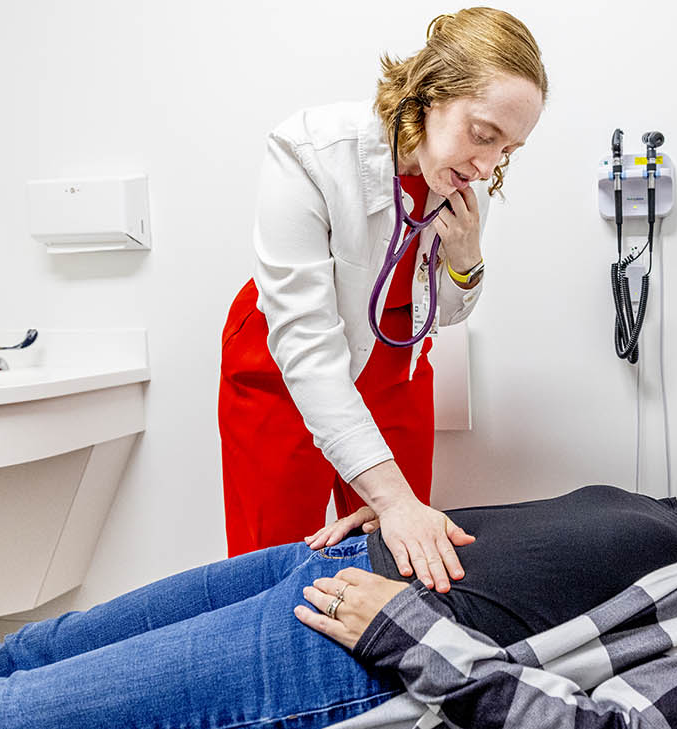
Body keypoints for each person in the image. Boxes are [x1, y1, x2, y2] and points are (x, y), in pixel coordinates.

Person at [0, 450, 677, 729]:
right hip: (324, 567)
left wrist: (404, 628)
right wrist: (391, 521)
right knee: (19, 655)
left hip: (338, 642)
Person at [218, 6, 548, 595]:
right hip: (282, 361)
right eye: (484, 134)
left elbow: (444, 313)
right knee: (269, 561)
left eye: (509, 149)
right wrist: (390, 495)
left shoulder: (465, 181)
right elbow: (308, 348)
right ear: (429, 92)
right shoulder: (310, 151)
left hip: (394, 367)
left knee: (400, 554)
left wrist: (467, 260)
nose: (489, 164)